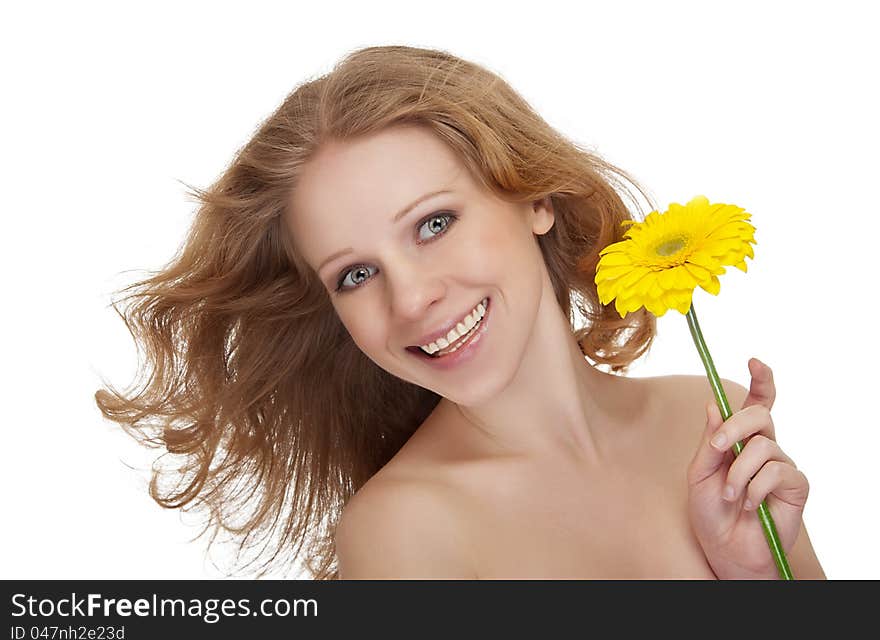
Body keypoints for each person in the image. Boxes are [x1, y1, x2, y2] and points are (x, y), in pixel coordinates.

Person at [95, 44, 825, 580]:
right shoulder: (402, 533)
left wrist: (763, 580)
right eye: (354, 274)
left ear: (535, 197)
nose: (410, 299)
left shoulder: (712, 419)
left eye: (434, 224)